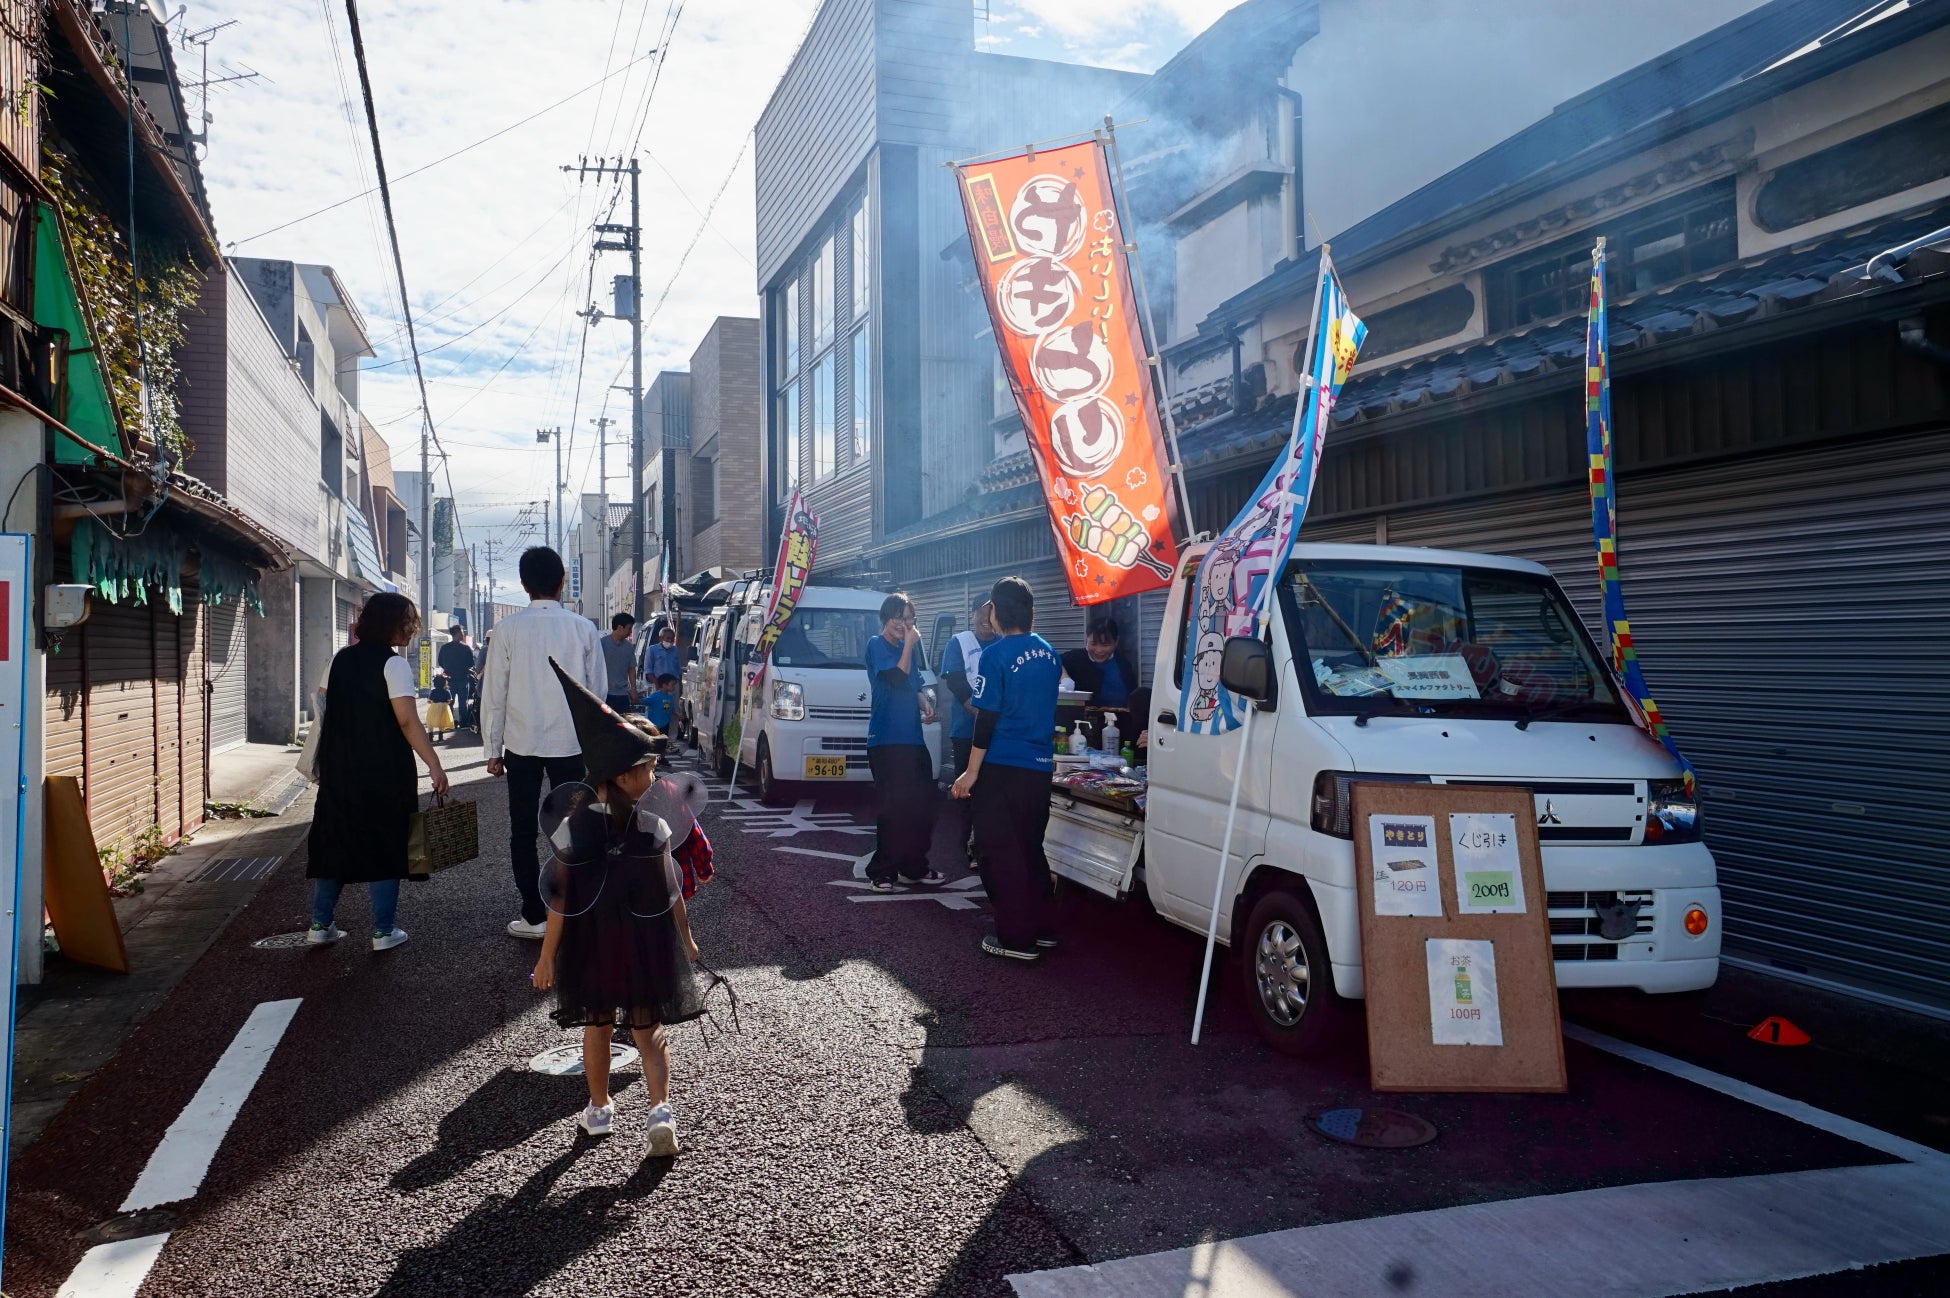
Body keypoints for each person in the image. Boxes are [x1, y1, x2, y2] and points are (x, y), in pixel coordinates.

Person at [533, 661, 705, 1157]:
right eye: (648, 770)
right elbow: (672, 892)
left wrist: (548, 957)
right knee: (650, 1030)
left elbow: (560, 899)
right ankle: (660, 1111)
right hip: (646, 943)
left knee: (598, 1026)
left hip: (593, 944)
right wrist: (687, 941)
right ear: (625, 777)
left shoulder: (576, 829)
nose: (653, 776)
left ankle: (600, 1108)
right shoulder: (655, 826)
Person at [307, 593, 449, 952]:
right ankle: (383, 932)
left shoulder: (339, 660)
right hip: (384, 768)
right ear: (391, 623)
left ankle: (320, 924)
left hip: (340, 767)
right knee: (387, 843)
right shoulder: (394, 665)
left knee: (334, 840)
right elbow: (406, 720)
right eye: (408, 621)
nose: (412, 628)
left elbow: (323, 708)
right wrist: (434, 764)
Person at [481, 547, 608, 940]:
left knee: (522, 830)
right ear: (563, 580)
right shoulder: (583, 628)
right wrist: (597, 748)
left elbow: (494, 693)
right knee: (574, 828)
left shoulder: (506, 629)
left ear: (523, 585)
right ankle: (576, 909)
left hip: (521, 745)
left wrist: (492, 749)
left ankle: (534, 917)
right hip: (571, 745)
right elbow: (597, 694)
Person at [952, 576, 1060, 961]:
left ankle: (1017, 939)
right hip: (1039, 768)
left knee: (1000, 852)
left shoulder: (995, 655)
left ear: (997, 612)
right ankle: (1043, 929)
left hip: (1002, 766)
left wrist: (970, 771)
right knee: (1031, 848)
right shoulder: (1050, 653)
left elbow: (987, 718)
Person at [864, 592, 942, 891]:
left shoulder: (904, 647)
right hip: (885, 740)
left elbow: (914, 683)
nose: (904, 624)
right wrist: (909, 643)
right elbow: (898, 676)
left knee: (924, 804)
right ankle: (882, 871)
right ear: (886, 617)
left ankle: (914, 866)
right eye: (899, 617)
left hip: (912, 739)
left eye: (909, 619)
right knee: (892, 807)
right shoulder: (877, 644)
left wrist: (925, 703)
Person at [940, 597, 997, 862]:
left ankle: (986, 845)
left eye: (991, 614)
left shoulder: (1005, 643)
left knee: (991, 790)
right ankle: (968, 845)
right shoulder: (959, 642)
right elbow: (955, 680)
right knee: (967, 790)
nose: (986, 620)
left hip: (998, 734)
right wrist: (978, 712)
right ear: (972, 614)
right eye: (981, 614)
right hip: (966, 730)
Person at [1061, 615, 1140, 710]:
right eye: (1093, 643)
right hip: (1085, 722)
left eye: (1105, 645)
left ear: (1116, 641)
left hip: (1118, 721)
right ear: (1087, 639)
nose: (1099, 650)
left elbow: (1132, 695)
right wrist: (1065, 678)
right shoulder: (1075, 658)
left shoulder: (1123, 664)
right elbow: (1053, 662)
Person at [437, 626, 477, 729]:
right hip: (463, 679)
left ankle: (449, 724)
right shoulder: (466, 648)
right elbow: (471, 663)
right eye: (462, 632)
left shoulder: (445, 648)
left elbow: (440, 662)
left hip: (449, 679)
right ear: (457, 633)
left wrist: (448, 669)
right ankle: (463, 723)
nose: (463, 634)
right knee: (462, 703)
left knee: (449, 702)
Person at [603, 612, 639, 713]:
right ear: (620, 627)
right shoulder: (602, 644)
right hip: (605, 694)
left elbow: (631, 669)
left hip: (623, 694)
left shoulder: (629, 647)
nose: (630, 632)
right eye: (629, 628)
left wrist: (633, 689)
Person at [641, 620, 684, 688]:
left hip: (674, 686)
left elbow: (678, 670)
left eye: (672, 639)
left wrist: (680, 686)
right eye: (668, 638)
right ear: (661, 638)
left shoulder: (675, 650)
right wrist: (657, 684)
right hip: (659, 685)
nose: (670, 641)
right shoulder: (652, 650)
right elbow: (648, 670)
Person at [426, 672, 455, 741]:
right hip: (444, 707)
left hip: (434, 707)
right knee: (442, 722)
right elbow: (449, 700)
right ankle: (440, 737)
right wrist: (445, 703)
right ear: (445, 683)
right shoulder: (447, 691)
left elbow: (429, 701)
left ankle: (430, 736)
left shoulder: (433, 691)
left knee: (430, 721)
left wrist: (433, 702)